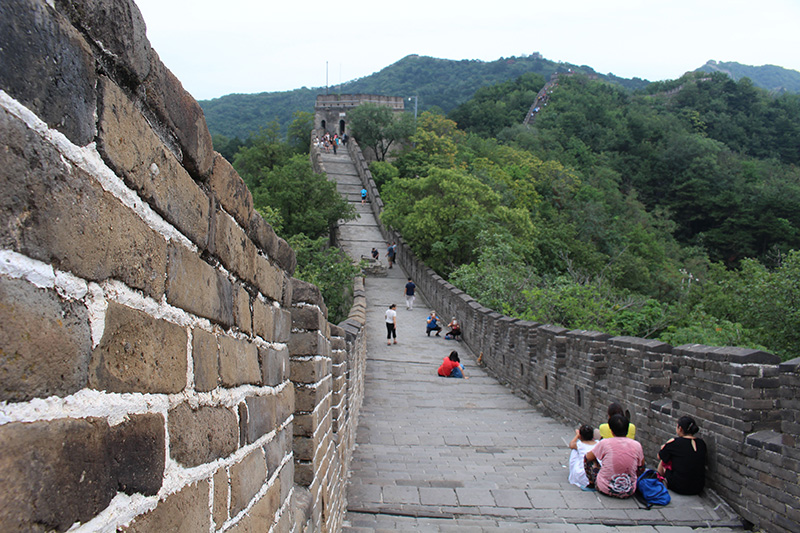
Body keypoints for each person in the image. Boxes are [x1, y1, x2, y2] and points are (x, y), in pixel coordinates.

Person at [584, 414, 644, 499]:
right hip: (629, 489)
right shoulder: (637, 445)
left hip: (605, 488)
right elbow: (641, 466)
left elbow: (588, 457)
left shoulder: (605, 443)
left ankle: (591, 483)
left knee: (589, 458)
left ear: (611, 431)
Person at [657, 416, 707, 495]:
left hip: (679, 486)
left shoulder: (674, 442)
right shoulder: (701, 443)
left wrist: (665, 446)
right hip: (698, 487)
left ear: (680, 428)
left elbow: (659, 456)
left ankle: (660, 479)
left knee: (664, 459)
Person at [568, 425, 597, 490]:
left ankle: (572, 473)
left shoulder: (579, 445)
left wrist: (577, 435)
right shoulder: (598, 444)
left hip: (582, 476)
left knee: (574, 450)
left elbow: (571, 444)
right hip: (596, 475)